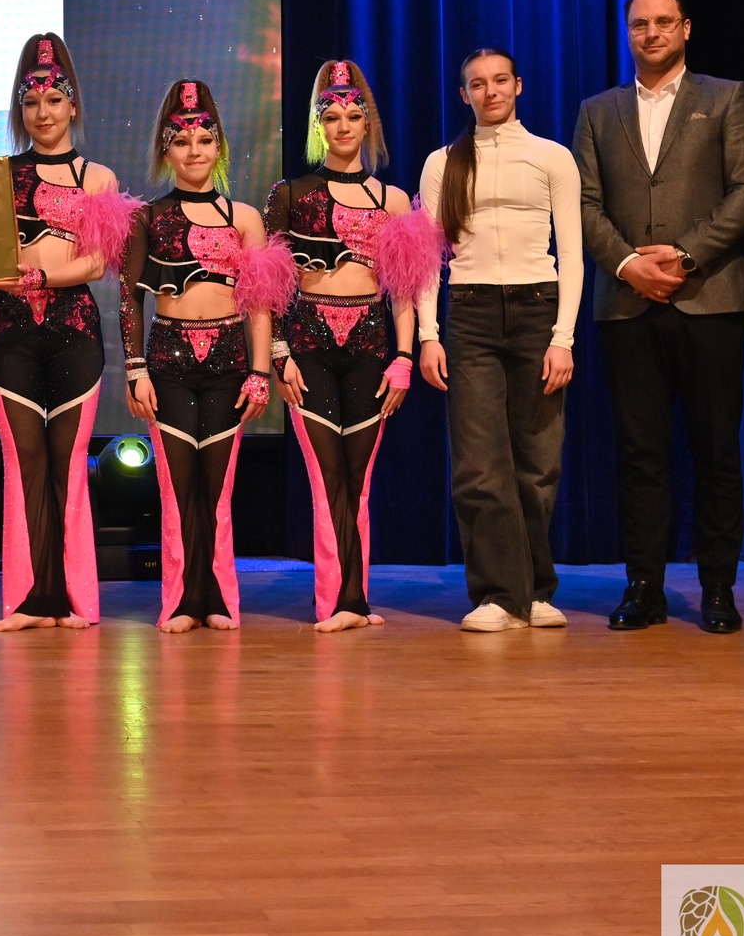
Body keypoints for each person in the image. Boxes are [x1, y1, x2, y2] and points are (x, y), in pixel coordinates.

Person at [573, 0, 744, 633]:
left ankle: (718, 589)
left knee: (716, 450)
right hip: (627, 305)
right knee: (640, 453)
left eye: (663, 21)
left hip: (710, 299)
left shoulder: (725, 97)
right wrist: (629, 264)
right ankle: (643, 587)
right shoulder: (598, 111)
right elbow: (583, 203)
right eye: (640, 23)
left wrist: (685, 257)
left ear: (685, 29)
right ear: (627, 33)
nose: (651, 32)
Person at [266, 61, 442, 633]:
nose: (343, 126)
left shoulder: (393, 200)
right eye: (332, 117)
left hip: (370, 346)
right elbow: (268, 288)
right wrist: (279, 355)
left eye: (352, 116)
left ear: (368, 124)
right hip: (308, 346)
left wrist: (403, 359)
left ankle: (355, 600)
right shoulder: (289, 194)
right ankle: (336, 602)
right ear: (319, 125)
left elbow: (405, 291)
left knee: (358, 479)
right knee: (328, 479)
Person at [416, 50, 583, 632]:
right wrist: (428, 334)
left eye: (500, 81)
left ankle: (534, 591)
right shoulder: (443, 162)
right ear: (464, 94)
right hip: (471, 313)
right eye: (477, 84)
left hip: (538, 309)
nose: (490, 92)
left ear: (519, 85)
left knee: (537, 461)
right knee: (479, 463)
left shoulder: (551, 156)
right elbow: (427, 256)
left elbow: (572, 252)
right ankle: (495, 594)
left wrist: (563, 338)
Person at [120, 80, 287, 632]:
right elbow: (129, 297)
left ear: (219, 146)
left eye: (204, 139)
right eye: (181, 141)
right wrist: (136, 369)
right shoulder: (147, 217)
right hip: (167, 360)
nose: (194, 150)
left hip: (229, 360)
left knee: (216, 487)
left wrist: (259, 373)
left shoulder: (246, 218)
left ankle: (215, 596)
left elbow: (260, 304)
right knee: (177, 485)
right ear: (165, 150)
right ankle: (180, 599)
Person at [0, 34, 136, 632]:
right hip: (11, 330)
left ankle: (75, 599)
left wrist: (41, 275)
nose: (43, 113)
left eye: (53, 100)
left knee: (68, 464)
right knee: (24, 462)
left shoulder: (98, 178)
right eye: (31, 102)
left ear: (73, 105)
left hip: (74, 330)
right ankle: (28, 600)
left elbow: (97, 263)